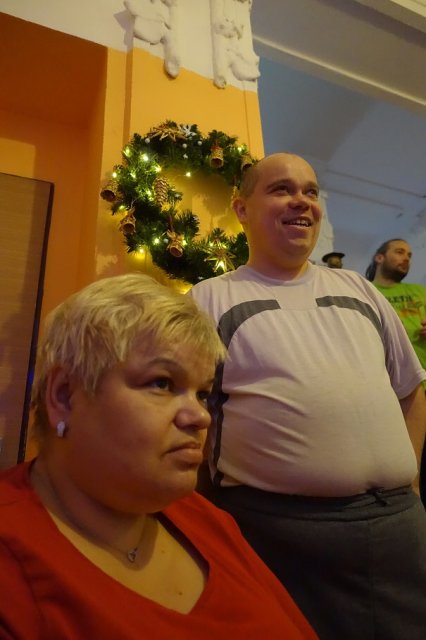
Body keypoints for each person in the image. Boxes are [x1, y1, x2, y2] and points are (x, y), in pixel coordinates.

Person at [0, 273, 318, 640]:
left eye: (202, 394)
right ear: (65, 396)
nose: (200, 417)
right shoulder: (12, 570)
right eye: (162, 383)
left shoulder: (206, 519)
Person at [190, 153, 426, 640]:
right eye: (281, 189)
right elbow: (191, 415)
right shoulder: (208, 299)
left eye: (311, 191)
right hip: (278, 538)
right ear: (241, 208)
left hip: (399, 529)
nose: (302, 201)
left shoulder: (360, 289)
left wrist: (413, 480)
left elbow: (409, 390)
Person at [365, 238, 426, 505]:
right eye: (399, 252)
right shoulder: (365, 291)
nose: (406, 258)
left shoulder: (419, 292)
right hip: (386, 394)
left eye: (410, 255)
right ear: (379, 257)